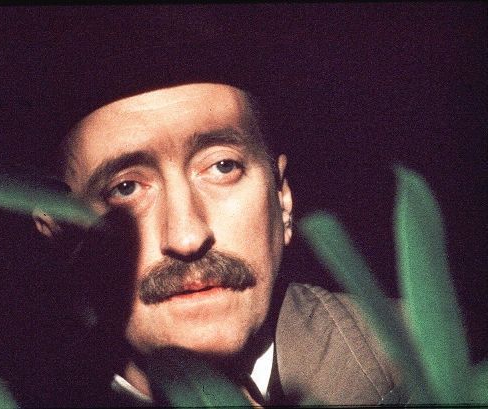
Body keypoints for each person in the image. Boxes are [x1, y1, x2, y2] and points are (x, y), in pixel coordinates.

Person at [33, 82, 406, 406]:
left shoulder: (420, 360)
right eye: (126, 188)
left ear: (282, 200)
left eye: (223, 166)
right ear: (58, 231)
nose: (187, 238)